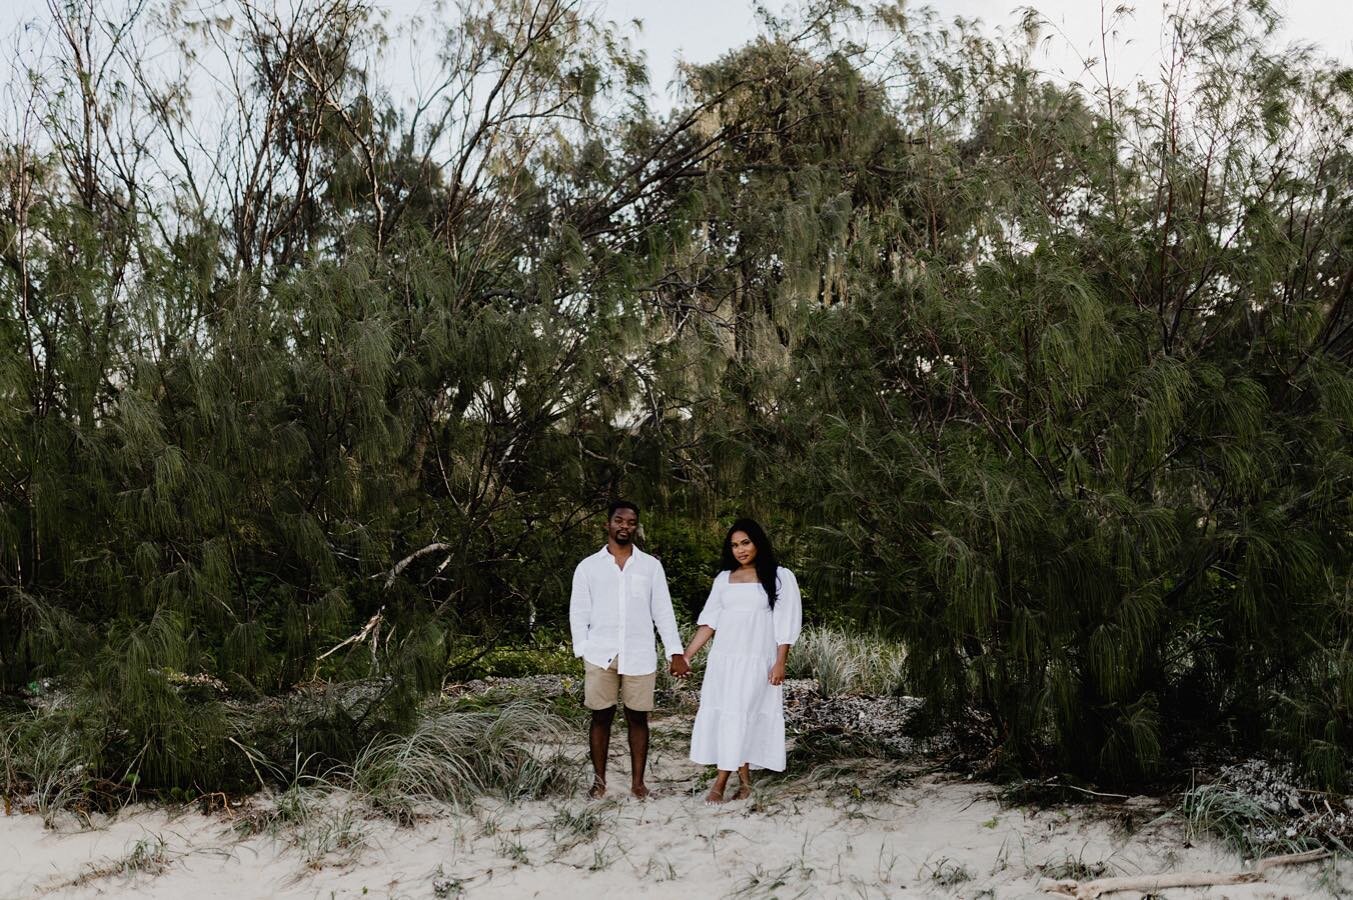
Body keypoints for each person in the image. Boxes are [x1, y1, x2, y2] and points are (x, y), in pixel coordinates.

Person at [569, 500, 691, 799]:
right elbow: (578, 611)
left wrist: (674, 652)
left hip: (639, 654)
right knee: (601, 717)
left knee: (638, 718)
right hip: (600, 654)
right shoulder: (588, 567)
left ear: (636, 526)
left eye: (631, 522)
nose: (625, 526)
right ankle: (599, 783)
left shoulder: (650, 566)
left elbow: (663, 611)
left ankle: (638, 784)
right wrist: (583, 647)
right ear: (607, 524)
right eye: (619, 520)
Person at [684, 518, 802, 803]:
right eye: (734, 545)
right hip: (724, 662)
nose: (740, 550)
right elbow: (709, 623)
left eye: (745, 542)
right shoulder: (724, 579)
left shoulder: (779, 576)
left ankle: (720, 782)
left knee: (742, 716)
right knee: (731, 718)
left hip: (758, 662)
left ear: (758, 542)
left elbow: (786, 622)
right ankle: (745, 783)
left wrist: (780, 661)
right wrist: (686, 656)